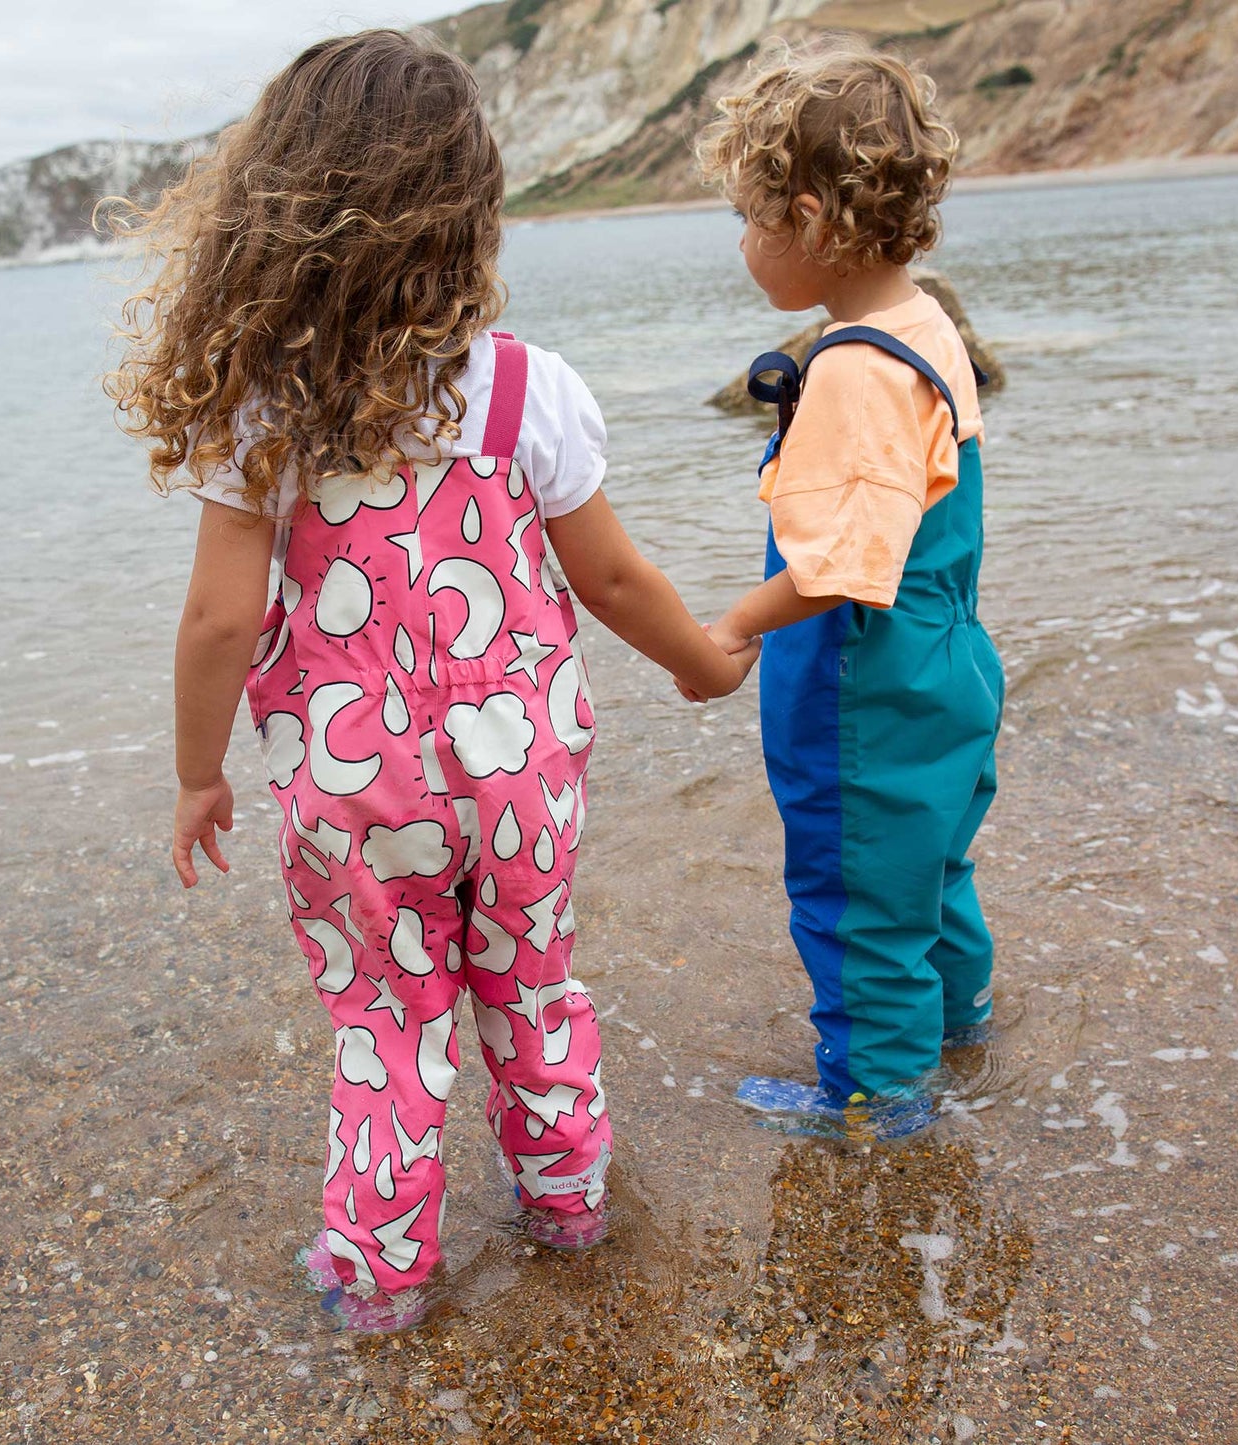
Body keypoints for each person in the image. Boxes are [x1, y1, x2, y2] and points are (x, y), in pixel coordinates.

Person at [104, 30, 757, 1331]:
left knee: (388, 1028)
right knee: (533, 986)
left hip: (356, 789)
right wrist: (701, 665)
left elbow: (215, 622)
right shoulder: (529, 391)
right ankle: (568, 1207)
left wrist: (197, 774)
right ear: (468, 216)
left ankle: (378, 1278)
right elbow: (613, 582)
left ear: (275, 217)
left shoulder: (263, 409)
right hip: (518, 771)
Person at [687, 38, 1004, 1134]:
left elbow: (836, 567)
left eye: (746, 216)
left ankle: (877, 1095)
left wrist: (730, 626)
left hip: (868, 683)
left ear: (813, 221)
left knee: (855, 883)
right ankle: (961, 1020)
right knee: (928, 860)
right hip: (947, 655)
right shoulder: (924, 330)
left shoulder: (856, 369)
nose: (739, 242)